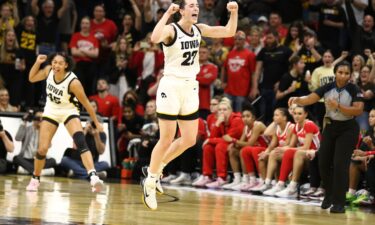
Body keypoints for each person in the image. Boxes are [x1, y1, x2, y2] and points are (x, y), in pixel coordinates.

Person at [141, 0, 238, 210]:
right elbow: (155, 37)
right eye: (192, 5)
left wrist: (234, 12)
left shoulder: (199, 29)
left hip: (190, 86)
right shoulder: (171, 29)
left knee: (188, 139)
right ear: (182, 10)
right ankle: (150, 180)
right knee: (166, 138)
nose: (196, 9)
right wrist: (167, 13)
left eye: (197, 6)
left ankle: (157, 169)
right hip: (171, 85)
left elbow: (229, 31)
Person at [289, 61, 364, 213]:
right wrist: (297, 100)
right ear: (335, 73)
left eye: (346, 73)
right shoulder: (328, 87)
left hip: (347, 129)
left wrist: (338, 106)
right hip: (330, 127)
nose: (343, 75)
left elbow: (358, 110)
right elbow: (311, 98)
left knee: (339, 165)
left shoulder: (354, 89)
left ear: (350, 75)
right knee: (322, 162)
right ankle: (328, 194)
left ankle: (339, 202)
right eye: (340, 72)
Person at [26, 52, 105, 193]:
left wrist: (97, 123)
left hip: (69, 111)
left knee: (80, 141)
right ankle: (35, 178)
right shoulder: (48, 70)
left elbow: (86, 103)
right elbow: (31, 78)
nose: (56, 65)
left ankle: (93, 177)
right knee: (42, 149)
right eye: (54, 62)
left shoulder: (73, 82)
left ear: (66, 65)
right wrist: (38, 63)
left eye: (60, 63)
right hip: (51, 111)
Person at [14, 109, 56, 175]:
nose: (39, 120)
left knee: (53, 161)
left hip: (39, 159)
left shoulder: (45, 131)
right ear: (34, 118)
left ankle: (29, 171)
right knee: (16, 158)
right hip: (26, 158)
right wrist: (23, 122)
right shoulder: (27, 128)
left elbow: (48, 146)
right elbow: (18, 138)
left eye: (42, 119)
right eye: (38, 118)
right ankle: (40, 172)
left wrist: (43, 130)